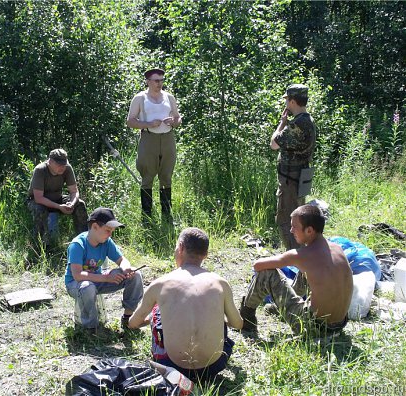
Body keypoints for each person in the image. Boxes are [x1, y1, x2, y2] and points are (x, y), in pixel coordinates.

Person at [128, 227, 243, 382]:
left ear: (180, 247)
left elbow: (133, 323)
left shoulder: (160, 284)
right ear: (206, 254)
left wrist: (153, 317)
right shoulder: (220, 283)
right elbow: (237, 324)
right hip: (214, 366)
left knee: (157, 311)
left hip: (171, 366)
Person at [239, 205, 353, 336]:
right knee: (306, 271)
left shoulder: (301, 255)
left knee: (266, 274)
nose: (291, 230)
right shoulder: (336, 248)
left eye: (294, 227)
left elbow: (257, 265)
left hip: (314, 328)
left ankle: (246, 319)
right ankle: (281, 308)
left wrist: (285, 259)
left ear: (309, 230)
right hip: (339, 325)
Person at [65, 207, 143, 332]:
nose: (110, 234)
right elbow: (77, 275)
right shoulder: (77, 245)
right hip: (76, 285)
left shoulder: (106, 242)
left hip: (98, 280)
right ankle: (89, 328)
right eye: (108, 230)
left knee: (136, 274)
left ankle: (128, 317)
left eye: (112, 231)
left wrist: (126, 269)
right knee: (87, 287)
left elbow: (122, 260)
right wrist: (106, 277)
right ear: (95, 227)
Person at [126, 68, 182, 224]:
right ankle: (147, 217)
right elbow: (130, 121)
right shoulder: (140, 98)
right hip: (148, 138)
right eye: (157, 80)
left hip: (168, 138)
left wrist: (174, 122)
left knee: (166, 176)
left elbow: (178, 118)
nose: (160, 83)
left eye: (162, 80)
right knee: (147, 176)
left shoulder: (169, 97)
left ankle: (166, 215)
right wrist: (148, 123)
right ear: (148, 81)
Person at [270, 84, 317, 250]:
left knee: (287, 219)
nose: (286, 104)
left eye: (287, 100)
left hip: (291, 180)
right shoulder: (309, 120)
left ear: (292, 101)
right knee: (300, 217)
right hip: (301, 177)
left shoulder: (296, 125)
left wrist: (282, 124)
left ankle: (295, 258)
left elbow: (274, 144)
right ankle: (302, 254)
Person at [27, 148, 88, 246]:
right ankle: (38, 245)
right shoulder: (40, 170)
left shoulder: (67, 168)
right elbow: (38, 198)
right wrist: (59, 207)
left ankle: (85, 241)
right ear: (50, 161)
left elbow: (74, 191)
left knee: (79, 204)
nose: (62, 167)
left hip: (57, 198)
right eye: (59, 164)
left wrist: (71, 204)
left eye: (64, 164)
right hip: (37, 201)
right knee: (40, 210)